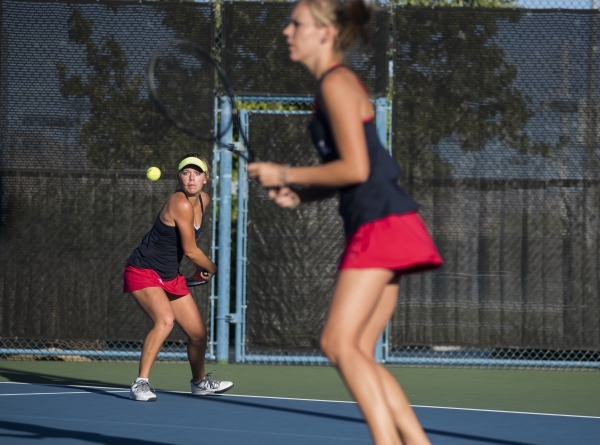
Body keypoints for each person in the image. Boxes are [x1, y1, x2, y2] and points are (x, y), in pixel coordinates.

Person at [247, 1, 442, 443]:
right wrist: (301, 190)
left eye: (295, 23)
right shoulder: (330, 89)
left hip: (381, 224)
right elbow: (352, 172)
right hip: (387, 219)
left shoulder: (336, 84)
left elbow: (355, 168)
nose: (286, 31)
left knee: (337, 343)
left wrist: (285, 173)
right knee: (360, 353)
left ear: (325, 33)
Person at [123, 154, 233, 402]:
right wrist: (212, 267)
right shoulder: (179, 202)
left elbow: (187, 248)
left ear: (206, 178)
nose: (191, 177)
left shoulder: (204, 201)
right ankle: (140, 383)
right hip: (143, 270)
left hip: (169, 274)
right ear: (179, 177)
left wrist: (197, 267)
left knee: (198, 334)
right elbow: (192, 250)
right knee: (165, 320)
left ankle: (200, 383)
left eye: (197, 172)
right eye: (186, 172)